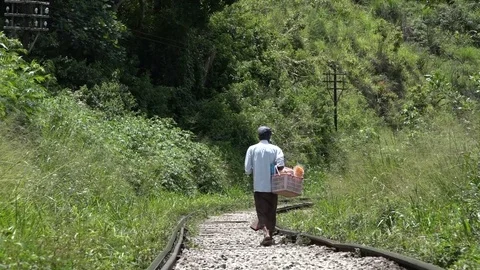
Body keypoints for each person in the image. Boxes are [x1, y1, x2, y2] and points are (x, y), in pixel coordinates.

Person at [244, 126, 285, 246]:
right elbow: (281, 165)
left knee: (261, 211)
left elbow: (247, 170)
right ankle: (270, 235)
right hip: (273, 185)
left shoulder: (252, 149)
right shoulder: (276, 149)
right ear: (269, 136)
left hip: (259, 185)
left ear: (258, 136)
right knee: (271, 211)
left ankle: (266, 234)